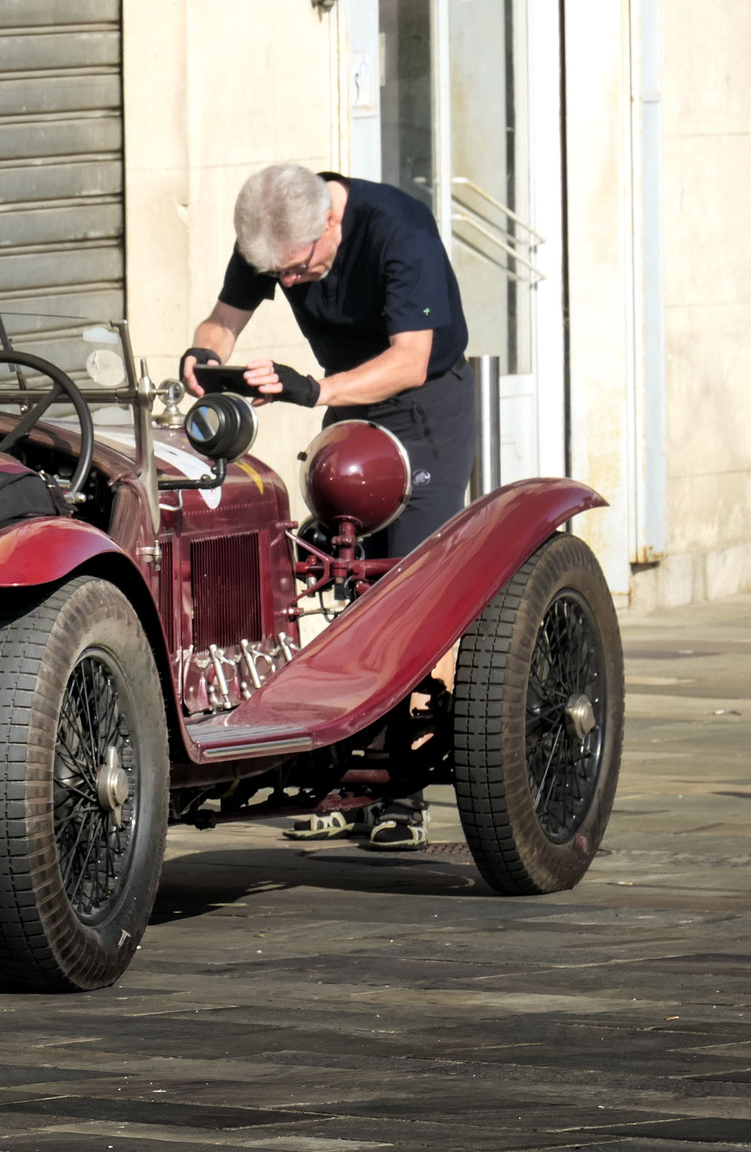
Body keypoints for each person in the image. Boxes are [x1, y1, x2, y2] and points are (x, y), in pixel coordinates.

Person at [180, 162, 475, 851]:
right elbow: (223, 319)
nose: (288, 286)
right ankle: (344, 768)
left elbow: (410, 357)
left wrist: (312, 389)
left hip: (422, 406)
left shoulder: (397, 228)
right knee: (343, 581)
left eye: (299, 273)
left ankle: (404, 790)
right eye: (278, 276)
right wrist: (203, 354)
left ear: (331, 225)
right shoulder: (276, 230)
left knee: (410, 587)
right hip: (344, 400)